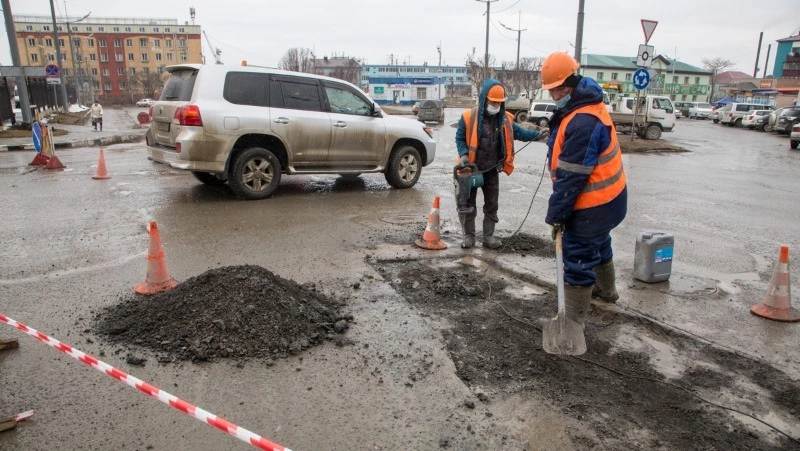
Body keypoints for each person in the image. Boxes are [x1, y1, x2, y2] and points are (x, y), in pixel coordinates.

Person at [540, 51, 628, 326]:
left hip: (592, 205)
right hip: (612, 198)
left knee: (578, 257)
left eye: (556, 90)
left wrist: (556, 214)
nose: (554, 96)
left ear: (569, 83)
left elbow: (571, 177)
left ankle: (572, 323)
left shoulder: (583, 121)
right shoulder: (586, 106)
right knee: (600, 243)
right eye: (551, 90)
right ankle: (607, 291)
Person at [455, 79, 547, 249]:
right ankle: (469, 237)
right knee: (468, 205)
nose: (496, 105)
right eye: (493, 102)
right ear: (484, 99)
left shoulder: (504, 119)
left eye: (499, 102)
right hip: (471, 169)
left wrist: (538, 134)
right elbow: (459, 138)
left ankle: (488, 237)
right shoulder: (468, 117)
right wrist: (464, 155)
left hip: (491, 169)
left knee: (492, 205)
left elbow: (519, 133)